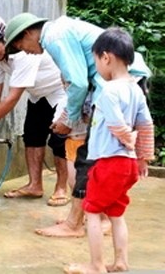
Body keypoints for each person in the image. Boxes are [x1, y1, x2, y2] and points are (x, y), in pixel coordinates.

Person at [4, 13, 152, 237]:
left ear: (27, 34)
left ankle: (75, 224)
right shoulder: (61, 31)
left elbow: (78, 82)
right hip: (129, 83)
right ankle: (96, 218)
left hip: (115, 90)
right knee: (96, 155)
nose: (25, 51)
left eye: (21, 46)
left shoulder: (54, 37)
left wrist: (69, 119)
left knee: (89, 156)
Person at [65, 27, 155, 273]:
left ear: (106, 57)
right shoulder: (136, 89)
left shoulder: (108, 91)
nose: (98, 68)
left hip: (109, 163)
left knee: (91, 211)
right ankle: (121, 262)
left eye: (96, 61)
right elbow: (146, 125)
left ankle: (96, 265)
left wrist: (127, 139)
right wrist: (142, 157)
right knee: (116, 213)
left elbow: (117, 124)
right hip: (127, 165)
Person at [0, 14, 69, 206]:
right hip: (37, 94)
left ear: (5, 38)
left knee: (58, 140)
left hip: (59, 90)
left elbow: (12, 97)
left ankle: (61, 188)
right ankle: (35, 185)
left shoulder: (22, 53)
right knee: (32, 135)